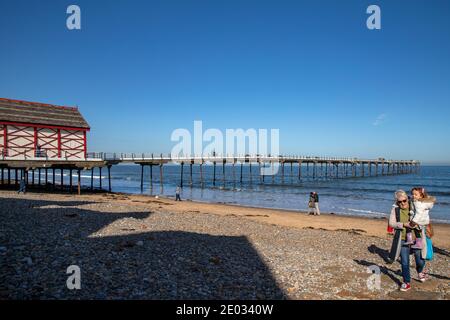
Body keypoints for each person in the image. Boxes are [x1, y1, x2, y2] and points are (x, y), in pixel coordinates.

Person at [389, 190, 427, 292]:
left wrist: (418, 224)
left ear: (407, 199)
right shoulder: (395, 209)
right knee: (405, 262)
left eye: (404, 201)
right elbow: (391, 223)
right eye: (399, 202)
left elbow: (424, 216)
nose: (402, 203)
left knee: (420, 259)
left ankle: (420, 271)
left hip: (416, 237)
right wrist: (403, 224)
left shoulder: (415, 205)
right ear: (397, 202)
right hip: (402, 238)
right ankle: (407, 282)